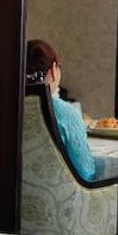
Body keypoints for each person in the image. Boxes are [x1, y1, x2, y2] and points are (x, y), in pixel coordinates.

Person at [26, 39, 96, 181]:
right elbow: (86, 172)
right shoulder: (68, 114)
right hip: (59, 194)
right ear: (53, 70)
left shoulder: (5, 110)